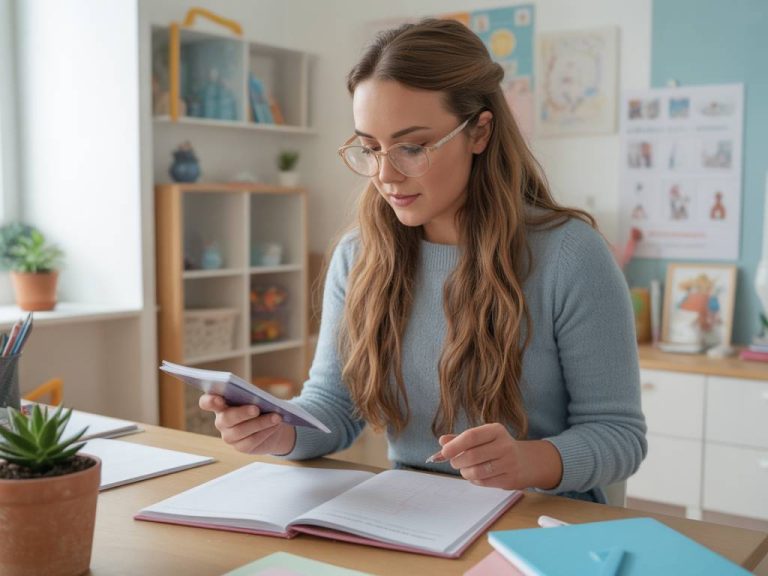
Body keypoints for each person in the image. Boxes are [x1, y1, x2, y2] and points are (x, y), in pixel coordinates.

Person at [200, 18, 647, 504]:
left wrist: (527, 460)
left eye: (412, 147)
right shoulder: (359, 257)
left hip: (540, 524)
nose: (385, 174)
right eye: (371, 148)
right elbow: (333, 406)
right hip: (414, 518)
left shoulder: (570, 255)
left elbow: (619, 435)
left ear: (479, 131)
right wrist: (278, 431)